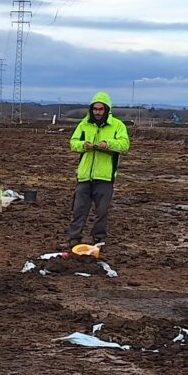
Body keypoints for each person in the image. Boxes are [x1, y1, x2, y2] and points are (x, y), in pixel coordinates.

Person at [66, 91, 130, 255]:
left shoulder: (117, 126)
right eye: (95, 109)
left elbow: (124, 144)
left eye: (101, 109)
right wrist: (83, 145)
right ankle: (74, 238)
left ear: (107, 110)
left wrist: (108, 144)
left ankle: (98, 238)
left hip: (105, 177)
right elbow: (73, 143)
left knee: (102, 211)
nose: (97, 112)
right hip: (84, 176)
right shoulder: (84, 124)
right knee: (79, 210)